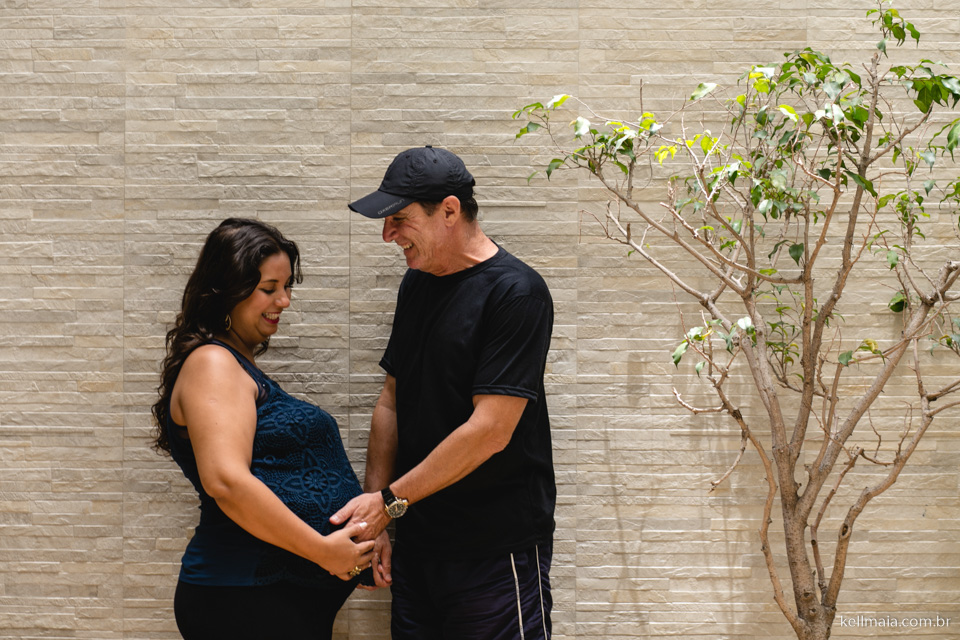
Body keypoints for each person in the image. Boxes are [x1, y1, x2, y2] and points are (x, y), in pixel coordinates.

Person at [333, 146, 556, 639]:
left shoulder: (517, 293)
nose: (388, 234)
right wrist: (379, 518)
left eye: (400, 219)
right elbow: (391, 400)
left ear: (449, 211)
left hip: (495, 553)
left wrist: (389, 502)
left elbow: (490, 431)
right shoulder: (417, 283)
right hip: (419, 548)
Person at [151, 217, 391, 640]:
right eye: (268, 289)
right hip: (244, 599)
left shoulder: (236, 366)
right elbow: (226, 481)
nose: (284, 300)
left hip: (271, 602)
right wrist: (324, 551)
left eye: (286, 287)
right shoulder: (212, 363)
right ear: (226, 291)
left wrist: (360, 540)